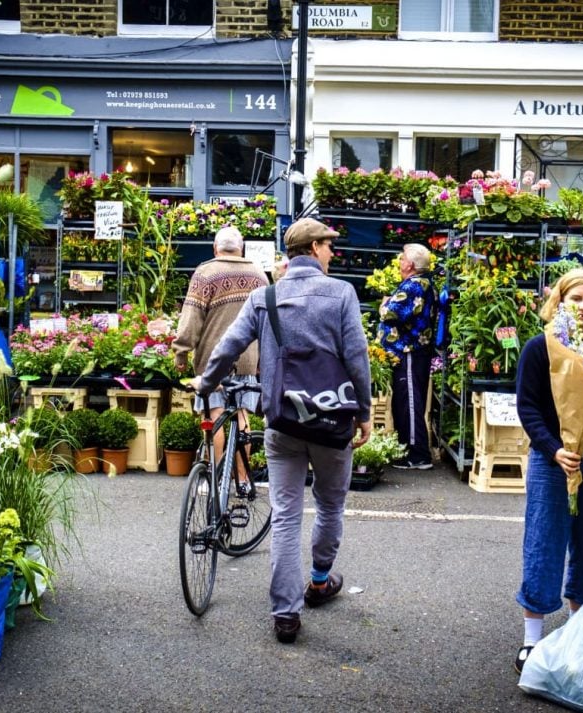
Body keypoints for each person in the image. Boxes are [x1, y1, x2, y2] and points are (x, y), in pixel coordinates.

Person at [193, 217, 372, 645]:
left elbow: (229, 347)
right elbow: (357, 357)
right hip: (332, 422)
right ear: (312, 249)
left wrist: (205, 382)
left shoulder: (265, 297)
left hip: (283, 423)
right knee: (330, 506)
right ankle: (319, 580)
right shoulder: (342, 294)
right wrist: (363, 412)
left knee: (287, 516)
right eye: (328, 245)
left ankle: (285, 614)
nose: (332, 252)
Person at [514, 269, 583, 674]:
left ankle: (580, 635)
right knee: (544, 542)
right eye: (577, 299)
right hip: (552, 460)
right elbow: (528, 407)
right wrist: (554, 449)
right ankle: (531, 641)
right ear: (559, 301)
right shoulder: (540, 348)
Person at [172, 225, 268, 464]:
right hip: (247, 360)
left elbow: (191, 317)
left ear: (215, 248)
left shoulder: (206, 272)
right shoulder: (259, 274)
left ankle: (214, 477)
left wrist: (181, 353)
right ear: (241, 248)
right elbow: (267, 321)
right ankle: (243, 480)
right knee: (242, 415)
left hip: (211, 361)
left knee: (214, 415)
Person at [378, 243, 436, 469]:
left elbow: (389, 312)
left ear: (410, 265)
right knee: (405, 400)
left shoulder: (414, 286)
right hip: (410, 351)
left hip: (409, 350)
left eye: (402, 259)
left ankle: (417, 454)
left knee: (410, 401)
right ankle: (408, 449)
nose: (399, 263)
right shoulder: (419, 283)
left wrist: (384, 304)